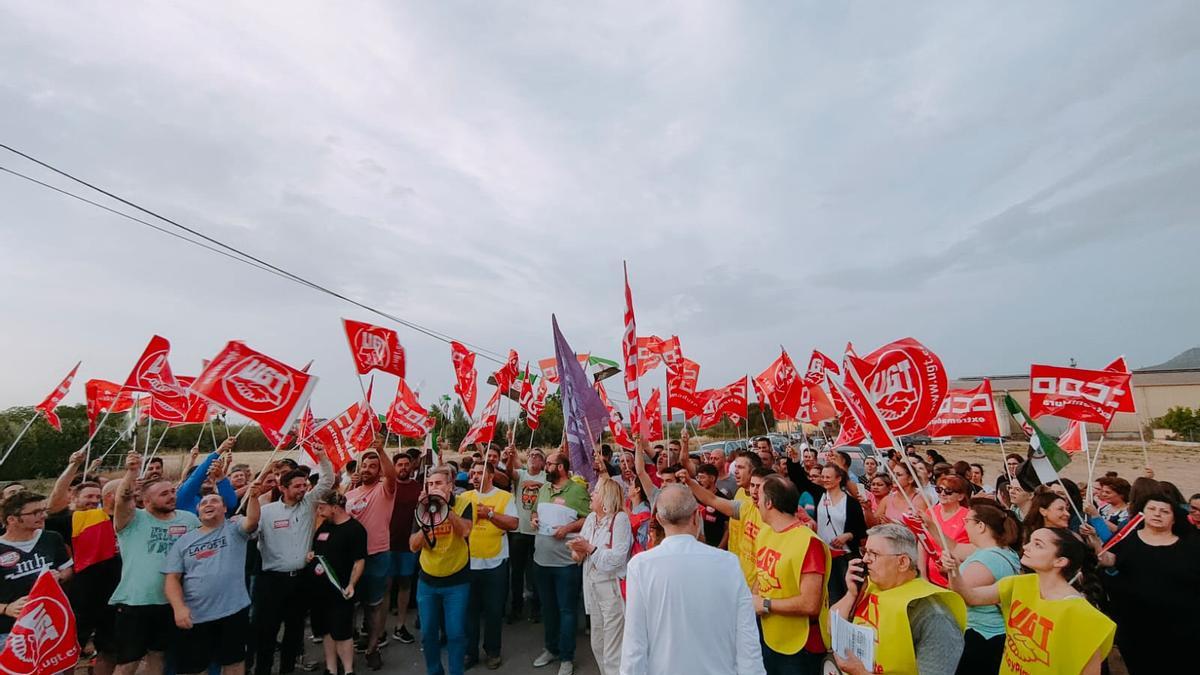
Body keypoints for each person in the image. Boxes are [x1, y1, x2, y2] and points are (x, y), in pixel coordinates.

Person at [620, 484, 764, 675]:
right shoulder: (728, 563)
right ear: (696, 516)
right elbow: (747, 637)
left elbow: (634, 644)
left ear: (660, 519)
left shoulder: (641, 566)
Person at [950, 527, 1114, 675]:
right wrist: (954, 571)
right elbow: (971, 597)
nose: (1026, 547)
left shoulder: (1080, 613)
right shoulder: (1019, 583)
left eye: (1038, 544)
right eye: (1030, 541)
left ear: (1060, 561)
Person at [829, 524, 965, 675]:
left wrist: (861, 673)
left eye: (874, 554)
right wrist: (851, 594)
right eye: (865, 551)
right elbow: (831, 629)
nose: (865, 559)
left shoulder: (933, 616)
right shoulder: (870, 586)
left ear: (902, 562)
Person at [110, 451, 201, 675]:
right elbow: (122, 500)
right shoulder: (133, 519)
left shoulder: (188, 519)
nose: (172, 496)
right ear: (146, 500)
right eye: (164, 494)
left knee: (158, 655)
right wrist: (132, 472)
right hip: (136, 602)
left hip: (171, 602)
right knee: (127, 663)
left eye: (172, 492)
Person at [163, 483, 263, 675]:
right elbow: (171, 578)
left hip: (233, 612)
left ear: (225, 509)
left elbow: (252, 520)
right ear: (198, 512)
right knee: (195, 668)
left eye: (215, 501)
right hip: (196, 616)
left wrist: (254, 497)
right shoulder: (184, 541)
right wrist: (178, 607)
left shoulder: (234, 529)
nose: (209, 504)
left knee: (234, 663)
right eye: (204, 503)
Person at [1098, 489, 1200, 674]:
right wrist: (1094, 541)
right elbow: (1109, 562)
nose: (1157, 514)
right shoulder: (1126, 539)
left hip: (1183, 630)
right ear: (1143, 513)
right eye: (1152, 509)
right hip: (1136, 628)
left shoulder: (1191, 545)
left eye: (1164, 511)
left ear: (1174, 518)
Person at [253, 446, 333, 675]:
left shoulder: (308, 505)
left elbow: (327, 480)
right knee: (267, 633)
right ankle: (262, 670)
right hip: (271, 582)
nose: (303, 489)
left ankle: (287, 670)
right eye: (297, 486)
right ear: (282, 488)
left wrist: (322, 455)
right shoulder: (266, 511)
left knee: (294, 631)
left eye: (304, 485)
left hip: (300, 581)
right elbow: (249, 531)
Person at [45, 450, 121, 672]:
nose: (93, 501)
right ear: (73, 498)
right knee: (68, 651)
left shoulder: (117, 517)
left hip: (115, 597)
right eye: (88, 496)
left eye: (97, 497)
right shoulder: (72, 520)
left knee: (110, 651)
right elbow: (53, 505)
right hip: (80, 599)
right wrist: (72, 467)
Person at [752, 475, 830, 674]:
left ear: (769, 503)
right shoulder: (765, 533)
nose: (755, 500)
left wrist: (765, 604)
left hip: (801, 646)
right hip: (769, 635)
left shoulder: (809, 543)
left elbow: (810, 604)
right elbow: (760, 578)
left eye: (759, 496)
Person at [943, 499, 1021, 675]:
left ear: (980, 526)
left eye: (967, 521)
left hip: (983, 635)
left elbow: (960, 595)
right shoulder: (995, 550)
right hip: (985, 633)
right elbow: (954, 547)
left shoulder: (989, 559)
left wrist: (952, 571)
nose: (964, 526)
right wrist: (929, 524)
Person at [409, 465, 473, 675]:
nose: (433, 487)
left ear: (450, 486)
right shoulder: (422, 507)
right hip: (428, 581)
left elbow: (464, 531)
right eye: (430, 484)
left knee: (455, 633)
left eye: (438, 483)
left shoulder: (464, 503)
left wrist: (445, 507)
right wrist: (426, 522)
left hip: (457, 581)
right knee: (428, 634)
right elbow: (413, 545)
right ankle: (434, 671)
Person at [530, 450, 590, 675]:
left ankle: (567, 657)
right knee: (549, 609)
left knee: (566, 610)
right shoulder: (544, 489)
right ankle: (551, 649)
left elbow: (587, 519)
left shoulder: (577, 491)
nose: (545, 467)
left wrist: (567, 528)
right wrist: (534, 519)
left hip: (566, 563)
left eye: (549, 464)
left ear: (561, 467)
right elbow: (535, 512)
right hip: (541, 561)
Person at [568, 479, 631, 675]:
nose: (591, 494)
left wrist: (588, 548)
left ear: (606, 497)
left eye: (595, 491)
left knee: (613, 650)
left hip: (611, 589)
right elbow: (580, 553)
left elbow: (618, 559)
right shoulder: (590, 519)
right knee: (597, 643)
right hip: (592, 586)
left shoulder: (620, 519)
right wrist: (577, 552)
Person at [345, 441, 398, 670]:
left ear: (379, 471)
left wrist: (380, 450)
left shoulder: (385, 489)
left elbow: (392, 475)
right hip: (350, 557)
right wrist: (348, 484)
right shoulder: (351, 492)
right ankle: (348, 647)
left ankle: (373, 648)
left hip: (376, 555)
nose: (367, 468)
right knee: (349, 605)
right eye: (364, 465)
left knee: (374, 605)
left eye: (372, 466)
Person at [463, 460, 518, 670]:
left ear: (491, 475)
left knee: (494, 611)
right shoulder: (464, 497)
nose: (475, 476)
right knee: (470, 612)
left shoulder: (505, 497)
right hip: (469, 562)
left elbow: (513, 524)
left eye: (479, 472)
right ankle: (470, 652)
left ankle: (493, 651)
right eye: (473, 473)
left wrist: (490, 514)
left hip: (495, 563)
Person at [0, 491, 74, 649]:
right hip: (10, 631)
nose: (42, 516)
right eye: (35, 513)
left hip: (49, 625)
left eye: (43, 511)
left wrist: (60, 576)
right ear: (12, 519)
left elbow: (68, 569)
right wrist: (6, 608)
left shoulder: (51, 538)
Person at [309, 490, 367, 675]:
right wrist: (312, 555)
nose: (319, 511)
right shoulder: (324, 526)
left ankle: (349, 669)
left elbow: (359, 561)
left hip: (340, 589)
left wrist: (351, 584)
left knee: (342, 633)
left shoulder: (355, 529)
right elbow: (317, 549)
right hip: (320, 591)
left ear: (335, 507)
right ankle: (331, 668)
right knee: (326, 631)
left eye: (322, 507)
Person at [504, 446, 546, 623]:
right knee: (517, 573)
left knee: (536, 572)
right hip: (519, 531)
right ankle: (516, 608)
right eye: (531, 455)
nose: (533, 458)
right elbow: (508, 472)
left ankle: (536, 608)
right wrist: (510, 457)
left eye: (538, 456)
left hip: (538, 532)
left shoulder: (545, 477)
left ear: (543, 463)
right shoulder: (520, 474)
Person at [816, 464, 867, 603]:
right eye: (823, 476)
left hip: (845, 556)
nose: (825, 479)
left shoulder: (851, 503)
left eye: (828, 477)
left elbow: (861, 529)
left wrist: (848, 535)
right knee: (830, 596)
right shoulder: (819, 496)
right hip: (825, 555)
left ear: (838, 479)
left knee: (848, 595)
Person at [388, 451, 421, 645]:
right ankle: (378, 629)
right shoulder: (388, 487)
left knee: (405, 585)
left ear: (411, 466)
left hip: (408, 545)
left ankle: (400, 626)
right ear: (394, 467)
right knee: (385, 587)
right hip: (388, 544)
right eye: (399, 464)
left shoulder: (418, 488)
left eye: (406, 464)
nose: (403, 467)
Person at [922, 475, 973, 587]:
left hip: (957, 578)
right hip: (931, 578)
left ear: (960, 496)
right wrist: (923, 575)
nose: (942, 494)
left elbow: (973, 551)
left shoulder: (968, 516)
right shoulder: (930, 512)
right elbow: (923, 543)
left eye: (948, 491)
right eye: (939, 489)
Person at [695, 463, 730, 547]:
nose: (699, 480)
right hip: (698, 545)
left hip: (715, 545)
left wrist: (720, 549)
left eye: (702, 477)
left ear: (712, 478)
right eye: (698, 477)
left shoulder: (723, 500)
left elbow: (728, 529)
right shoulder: (695, 496)